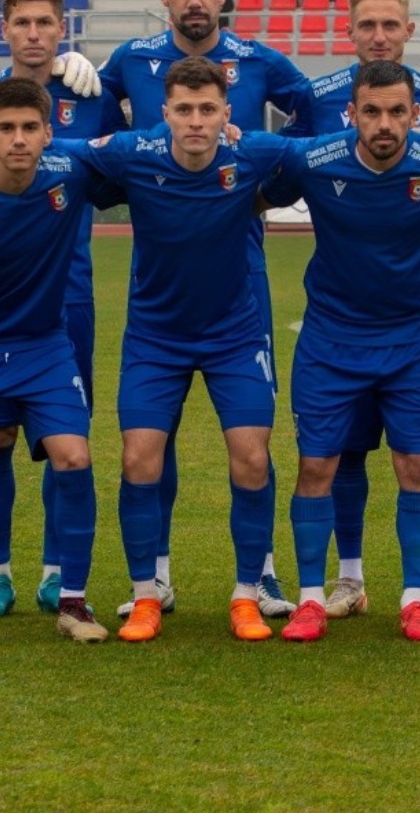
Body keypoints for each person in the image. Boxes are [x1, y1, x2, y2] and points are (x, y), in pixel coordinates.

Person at [97, 0, 313, 619]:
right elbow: (84, 134)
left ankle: (263, 574)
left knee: (252, 445)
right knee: (147, 445)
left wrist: (262, 191)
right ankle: (154, 577)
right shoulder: (129, 61)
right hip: (160, 283)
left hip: (239, 281)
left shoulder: (259, 61)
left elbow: (320, 116)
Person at [263, 60, 420, 644]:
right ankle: (312, 599)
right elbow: (255, 181)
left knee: (415, 465)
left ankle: (415, 600)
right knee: (316, 465)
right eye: (371, 111)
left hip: (413, 341)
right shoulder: (315, 158)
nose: (385, 124)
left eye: (398, 112)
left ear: (416, 115)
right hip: (331, 340)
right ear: (351, 114)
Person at [68, 58, 294, 644]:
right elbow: (54, 150)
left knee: (252, 458)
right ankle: (147, 594)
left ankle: (246, 594)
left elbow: (329, 150)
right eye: (185, 109)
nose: (196, 120)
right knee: (138, 459)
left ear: (227, 114)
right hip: (155, 338)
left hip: (235, 337)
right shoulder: (132, 151)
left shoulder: (253, 152)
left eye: (207, 109)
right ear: (165, 113)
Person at [283, 0, 420, 621]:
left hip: (416, 320)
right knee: (340, 453)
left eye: (390, 24)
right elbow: (277, 166)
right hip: (339, 320)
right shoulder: (317, 101)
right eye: (367, 24)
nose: (379, 35)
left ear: (409, 29)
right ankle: (347, 579)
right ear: (349, 30)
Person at [0, 0, 125, 621]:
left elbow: (116, 164)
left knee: (64, 441)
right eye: (23, 23)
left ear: (62, 28)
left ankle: (55, 572)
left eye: (46, 22)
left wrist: (100, 78)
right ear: (5, 29)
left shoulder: (93, 94)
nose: (34, 34)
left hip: (67, 297)